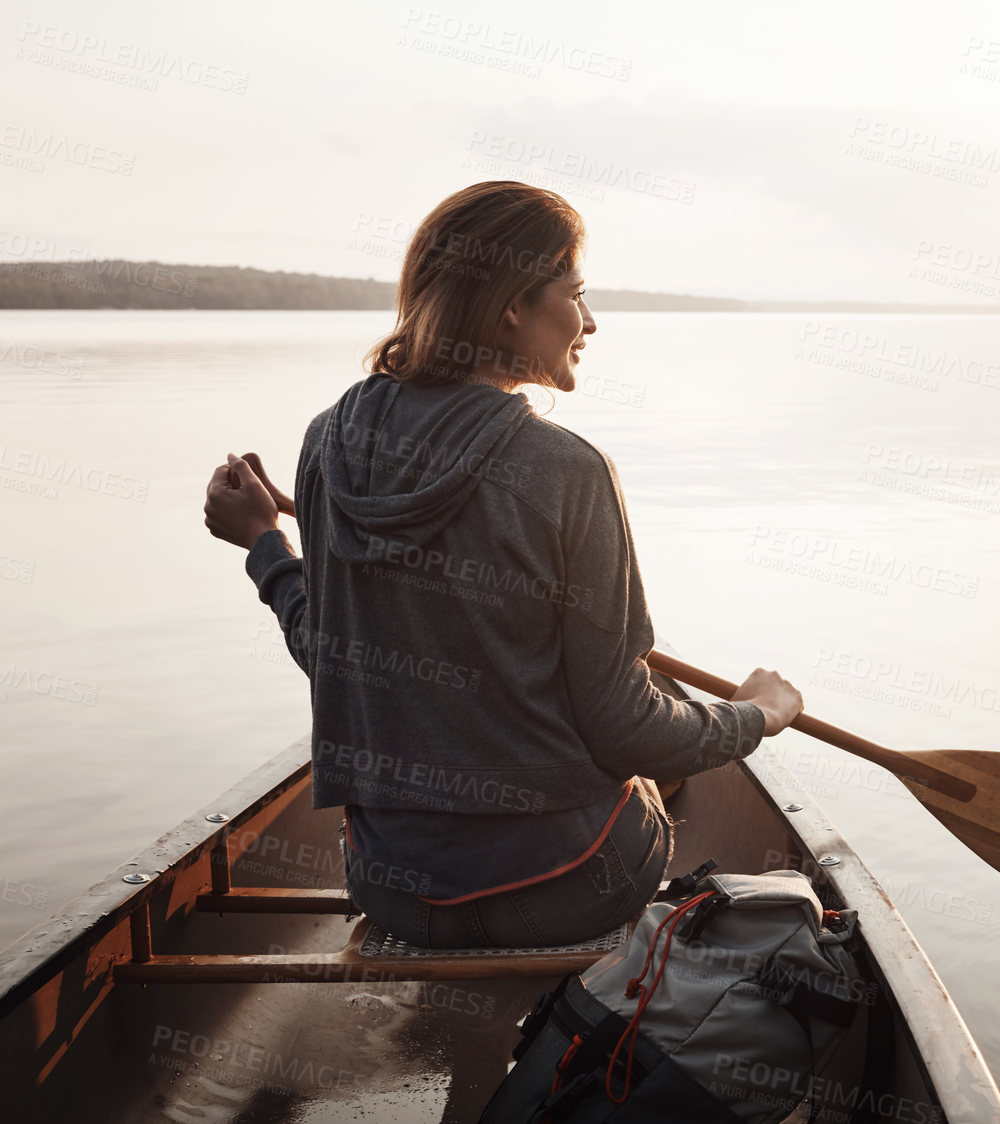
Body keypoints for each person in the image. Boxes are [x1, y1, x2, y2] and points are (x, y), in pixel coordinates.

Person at [201, 180, 803, 948]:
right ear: (513, 305)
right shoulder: (568, 469)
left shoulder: (328, 443)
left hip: (391, 891)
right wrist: (758, 715)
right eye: (577, 294)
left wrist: (264, 547)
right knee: (656, 762)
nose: (589, 321)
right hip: (565, 887)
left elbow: (330, 655)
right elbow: (625, 732)